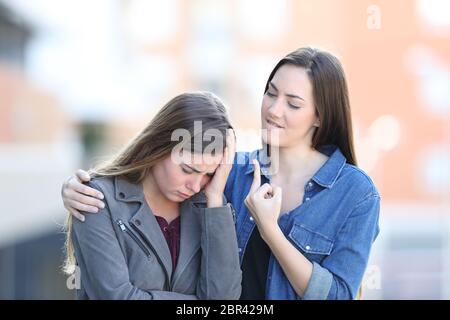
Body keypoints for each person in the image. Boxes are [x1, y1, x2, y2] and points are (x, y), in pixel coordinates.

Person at [62, 47, 380, 300]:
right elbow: (153, 184)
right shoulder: (230, 173)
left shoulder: (356, 194)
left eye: (293, 104)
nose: (273, 110)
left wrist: (270, 230)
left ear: (320, 117)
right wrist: (78, 187)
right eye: (271, 93)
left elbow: (338, 295)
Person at [63, 91, 242, 300]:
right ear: (158, 147)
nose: (195, 185)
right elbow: (117, 297)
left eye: (208, 174)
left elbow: (225, 299)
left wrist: (215, 200)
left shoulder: (209, 207)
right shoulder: (96, 200)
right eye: (187, 169)